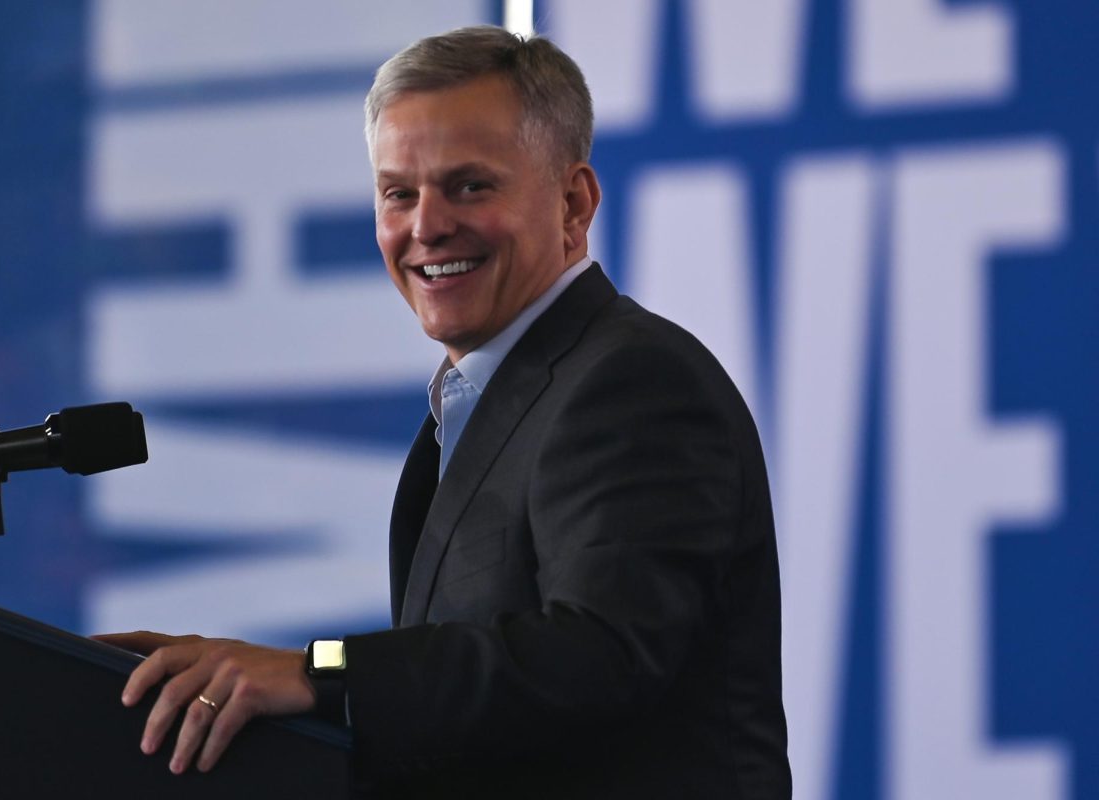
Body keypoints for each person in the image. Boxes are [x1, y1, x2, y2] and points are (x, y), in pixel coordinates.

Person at [97, 25, 790, 798]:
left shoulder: (633, 380)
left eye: (469, 186)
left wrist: (316, 673)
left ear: (574, 202)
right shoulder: (482, 399)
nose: (425, 226)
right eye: (399, 193)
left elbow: (601, 654)